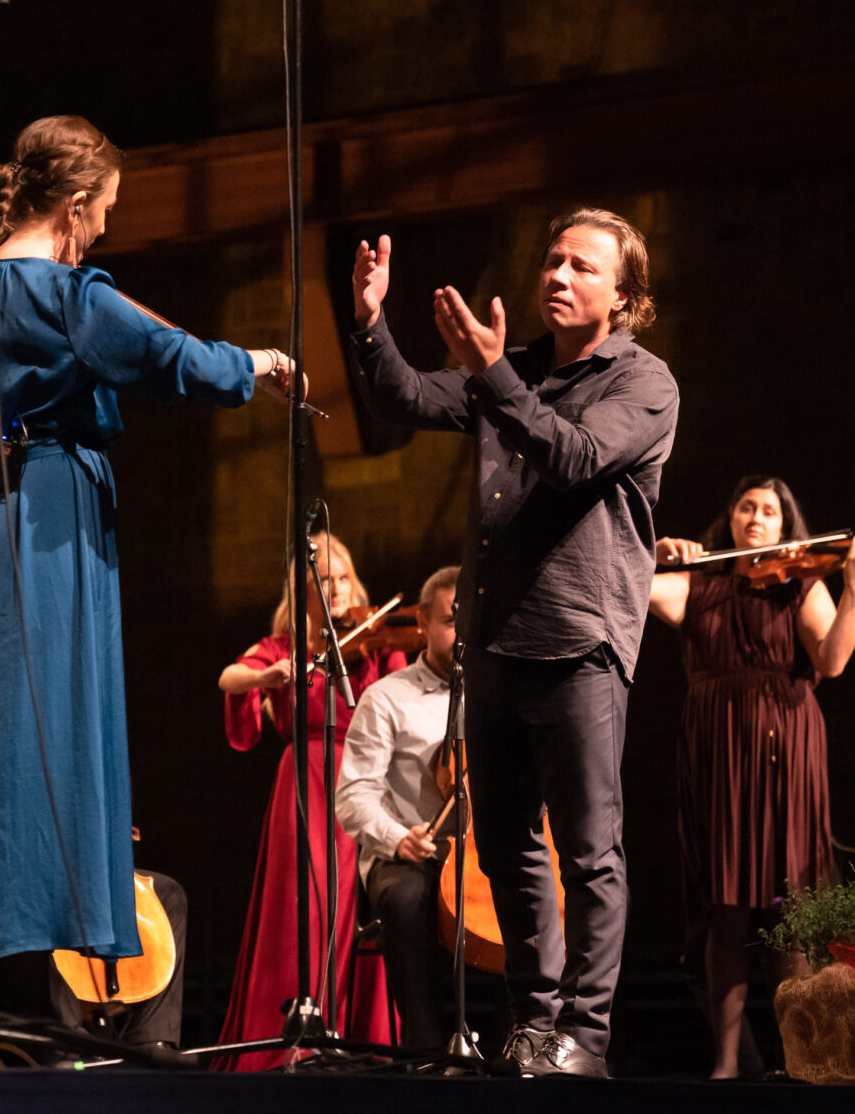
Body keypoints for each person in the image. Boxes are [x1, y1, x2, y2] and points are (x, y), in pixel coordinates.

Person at [0, 114, 299, 1017]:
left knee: (14, 735)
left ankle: (3, 978)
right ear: (73, 206)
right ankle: (22, 986)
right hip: (49, 515)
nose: (105, 229)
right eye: (103, 212)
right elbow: (163, 355)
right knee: (44, 731)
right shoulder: (62, 293)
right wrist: (255, 361)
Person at [347, 208, 679, 1077]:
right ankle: (534, 1020)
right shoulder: (519, 367)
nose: (558, 276)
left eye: (582, 267)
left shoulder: (643, 382)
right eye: (553, 259)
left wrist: (493, 372)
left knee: (589, 849)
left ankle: (587, 1034)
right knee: (503, 844)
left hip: (580, 641)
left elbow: (572, 456)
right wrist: (370, 321)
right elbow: (405, 396)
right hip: (496, 646)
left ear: (624, 296)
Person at [650, 477, 855, 1078]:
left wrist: (851, 586)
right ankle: (724, 1067)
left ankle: (797, 1064)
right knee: (725, 910)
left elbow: (831, 660)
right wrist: (652, 551)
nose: (756, 517)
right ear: (730, 518)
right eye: (746, 506)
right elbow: (621, 586)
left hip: (787, 753)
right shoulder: (699, 584)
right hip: (718, 756)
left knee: (789, 912)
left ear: (785, 527)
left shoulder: (799, 582)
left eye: (770, 510)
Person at [0, 610, 191, 1048]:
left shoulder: (33, 688)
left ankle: (152, 1050)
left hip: (35, 855)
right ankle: (60, 1042)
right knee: (36, 886)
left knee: (166, 895)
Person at [214, 531, 400, 1065]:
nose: (338, 590)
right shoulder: (287, 647)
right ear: (305, 590)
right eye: (326, 581)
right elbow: (229, 678)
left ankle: (354, 1037)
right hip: (304, 786)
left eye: (343, 578)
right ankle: (298, 1037)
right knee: (304, 913)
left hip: (364, 782)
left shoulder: (374, 641)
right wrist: (271, 675)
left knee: (357, 914)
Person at [334, 565, 463, 1052]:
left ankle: (522, 1041)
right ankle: (425, 1050)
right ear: (424, 623)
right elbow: (354, 795)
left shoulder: (498, 695)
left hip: (478, 855)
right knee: (407, 898)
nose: (463, 632)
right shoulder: (386, 697)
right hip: (408, 855)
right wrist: (398, 837)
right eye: (451, 621)